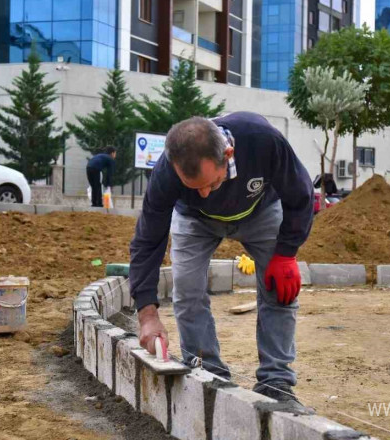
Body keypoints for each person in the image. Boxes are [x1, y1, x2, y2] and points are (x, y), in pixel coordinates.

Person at [128, 113, 314, 407]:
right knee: (187, 290)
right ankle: (206, 375)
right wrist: (146, 314)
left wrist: (286, 253)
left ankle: (275, 382)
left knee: (279, 290)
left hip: (261, 212)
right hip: (195, 220)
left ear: (228, 155)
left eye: (210, 183)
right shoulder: (166, 171)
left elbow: (301, 195)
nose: (203, 193)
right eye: (193, 187)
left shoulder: (263, 141)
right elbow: (148, 239)